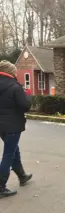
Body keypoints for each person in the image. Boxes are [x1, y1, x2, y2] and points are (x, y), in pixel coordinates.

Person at [0, 60, 33, 198]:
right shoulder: (15, 86)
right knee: (8, 153)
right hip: (12, 125)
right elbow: (25, 106)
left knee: (13, 150)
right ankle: (1, 186)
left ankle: (22, 175)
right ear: (10, 72)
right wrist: (28, 95)